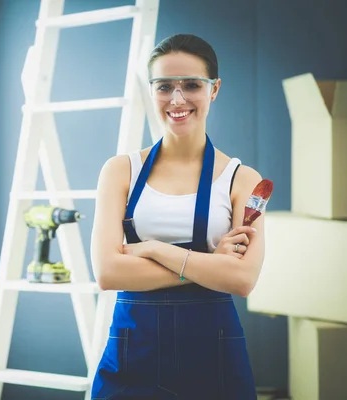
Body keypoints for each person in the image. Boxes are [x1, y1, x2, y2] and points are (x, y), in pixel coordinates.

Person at [89, 33, 264, 399]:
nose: (177, 98)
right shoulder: (121, 171)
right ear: (151, 91)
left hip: (214, 352)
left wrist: (151, 248)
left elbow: (242, 280)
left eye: (191, 85)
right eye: (164, 86)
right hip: (132, 349)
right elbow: (108, 272)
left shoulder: (243, 180)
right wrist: (210, 265)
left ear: (214, 89)